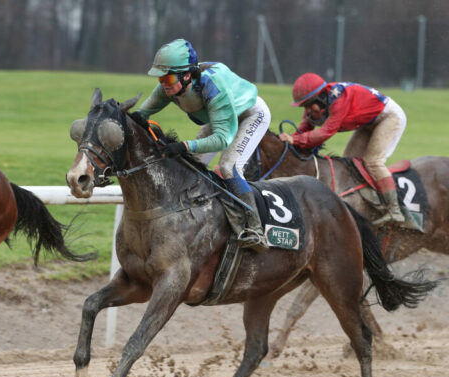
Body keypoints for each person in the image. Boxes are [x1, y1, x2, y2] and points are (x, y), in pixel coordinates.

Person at [135, 38, 271, 252]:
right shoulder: (167, 87)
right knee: (190, 166)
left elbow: (223, 139)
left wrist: (184, 145)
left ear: (187, 75)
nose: (163, 83)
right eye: (160, 78)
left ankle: (254, 229)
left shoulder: (212, 88)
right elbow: (140, 116)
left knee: (228, 168)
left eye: (168, 77)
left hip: (250, 115)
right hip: (219, 118)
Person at [279, 72, 406, 225]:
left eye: (308, 105)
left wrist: (295, 139)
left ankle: (395, 210)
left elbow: (326, 132)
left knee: (373, 161)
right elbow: (305, 128)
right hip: (366, 123)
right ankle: (367, 200)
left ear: (320, 98)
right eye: (304, 106)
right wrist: (290, 141)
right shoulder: (318, 103)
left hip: (388, 117)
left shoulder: (338, 101)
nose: (307, 111)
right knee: (348, 162)